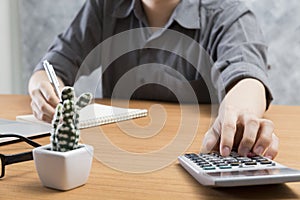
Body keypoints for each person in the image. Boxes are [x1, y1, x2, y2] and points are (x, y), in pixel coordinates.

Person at [28, 0, 278, 159]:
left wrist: (240, 113)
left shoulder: (228, 14)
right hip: (116, 156)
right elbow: (55, 64)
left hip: (193, 155)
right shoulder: (103, 6)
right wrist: (41, 85)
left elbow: (247, 76)